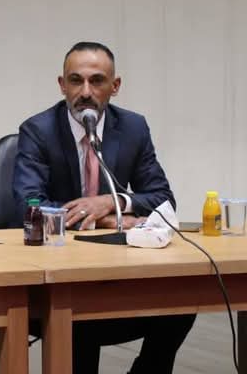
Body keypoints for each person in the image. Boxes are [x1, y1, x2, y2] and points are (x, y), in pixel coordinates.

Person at [13, 41, 195, 373]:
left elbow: (163, 197)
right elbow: (28, 205)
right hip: (60, 276)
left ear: (115, 86)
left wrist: (113, 201)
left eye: (96, 81)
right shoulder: (38, 130)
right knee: (80, 326)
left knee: (185, 296)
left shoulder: (133, 128)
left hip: (117, 268)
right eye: (75, 80)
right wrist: (102, 219)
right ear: (62, 85)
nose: (85, 91)